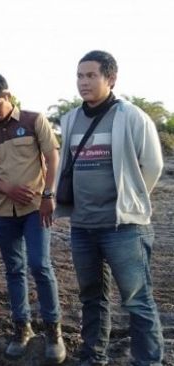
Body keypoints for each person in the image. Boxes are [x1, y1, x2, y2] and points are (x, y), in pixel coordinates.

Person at [56, 50, 164, 366]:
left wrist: (130, 200)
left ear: (110, 78)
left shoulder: (131, 116)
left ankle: (148, 361)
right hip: (83, 226)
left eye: (91, 75)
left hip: (124, 228)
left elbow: (153, 165)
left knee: (137, 301)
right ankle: (93, 356)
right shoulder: (71, 119)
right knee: (91, 297)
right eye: (79, 75)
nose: (84, 82)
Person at [0, 71, 66, 363]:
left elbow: (53, 158)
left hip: (36, 208)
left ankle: (54, 332)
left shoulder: (33, 120)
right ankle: (21, 329)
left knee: (40, 265)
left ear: (8, 96)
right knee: (14, 270)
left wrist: (49, 195)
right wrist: (8, 190)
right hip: (3, 212)